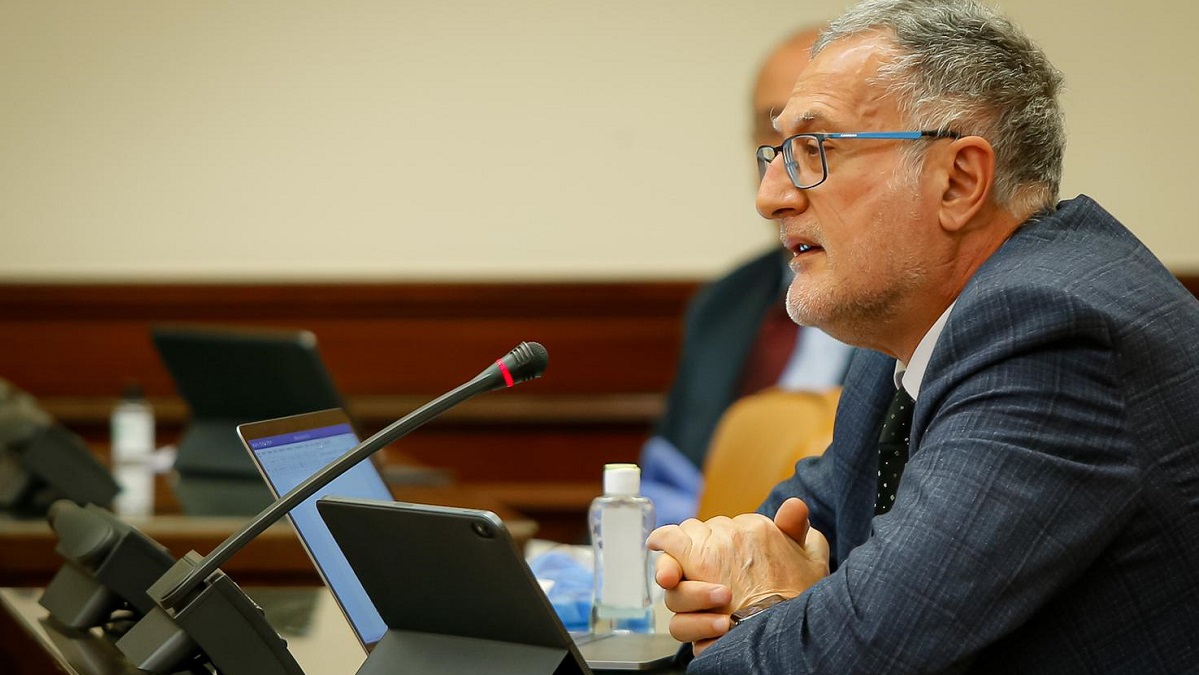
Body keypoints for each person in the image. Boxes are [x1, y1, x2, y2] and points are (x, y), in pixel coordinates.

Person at [646, 0, 1199, 672]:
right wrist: (721, 584)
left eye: (813, 149)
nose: (771, 195)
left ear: (959, 180)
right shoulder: (914, 329)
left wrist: (761, 605)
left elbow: (855, 655)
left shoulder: (1051, 331)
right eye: (776, 151)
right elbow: (786, 528)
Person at [642, 26, 853, 526]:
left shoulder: (916, 306)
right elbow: (669, 474)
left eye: (812, 131)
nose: (785, 158)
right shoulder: (723, 304)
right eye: (770, 126)